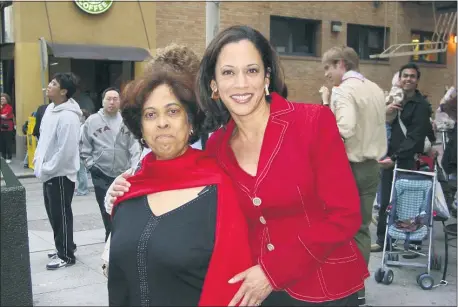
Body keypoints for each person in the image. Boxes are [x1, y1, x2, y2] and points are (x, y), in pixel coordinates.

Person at [107, 26, 368, 306]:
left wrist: (273, 271)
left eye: (252, 71)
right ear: (214, 85)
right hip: (260, 295)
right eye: (228, 72)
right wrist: (127, 188)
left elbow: (345, 215)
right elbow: (179, 175)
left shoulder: (314, 122)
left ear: (267, 76)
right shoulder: (217, 146)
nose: (241, 83)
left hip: (325, 287)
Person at [107, 44, 252, 306]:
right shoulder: (127, 192)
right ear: (140, 127)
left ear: (191, 121)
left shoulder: (220, 191)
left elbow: (234, 285)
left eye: (173, 111)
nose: (162, 122)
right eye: (150, 115)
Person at [319, 46, 387, 306]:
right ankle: (357, 288)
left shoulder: (343, 90)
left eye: (328, 67)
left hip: (347, 167)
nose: (327, 74)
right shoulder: (375, 89)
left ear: (341, 64)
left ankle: (341, 285)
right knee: (362, 229)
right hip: (372, 166)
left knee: (337, 226)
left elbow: (344, 127)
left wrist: (325, 112)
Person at [373, 63, 433, 253]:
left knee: (409, 202)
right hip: (389, 157)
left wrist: (396, 157)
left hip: (407, 160)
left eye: (412, 76)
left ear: (417, 80)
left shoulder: (422, 106)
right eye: (405, 76)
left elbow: (415, 137)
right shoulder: (394, 100)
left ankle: (412, 243)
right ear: (399, 79)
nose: (408, 79)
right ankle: (384, 241)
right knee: (385, 202)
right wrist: (388, 110)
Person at [33, 73, 82, 269]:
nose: (48, 86)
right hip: (48, 173)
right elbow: (44, 140)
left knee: (61, 215)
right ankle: (63, 246)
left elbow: (66, 150)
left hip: (60, 174)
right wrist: (40, 165)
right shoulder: (50, 110)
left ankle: (67, 256)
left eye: (53, 84)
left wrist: (48, 168)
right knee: (54, 214)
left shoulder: (69, 117)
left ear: (64, 91)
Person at [80, 87, 141, 241]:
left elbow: (134, 147)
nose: (112, 102)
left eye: (115, 98)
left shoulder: (126, 121)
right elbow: (84, 145)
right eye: (109, 99)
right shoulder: (92, 121)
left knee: (122, 211)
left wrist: (134, 169)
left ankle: (120, 240)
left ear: (120, 102)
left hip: (123, 175)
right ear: (103, 101)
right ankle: (110, 240)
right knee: (106, 210)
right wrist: (90, 165)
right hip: (101, 173)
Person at [75, 109, 90, 196]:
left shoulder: (84, 127)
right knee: (79, 170)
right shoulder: (81, 126)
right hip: (79, 150)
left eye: (79, 116)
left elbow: (81, 139)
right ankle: (82, 188)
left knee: (81, 171)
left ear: (84, 117)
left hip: (81, 151)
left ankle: (83, 189)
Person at [0, 93, 15, 163]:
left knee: (8, 143)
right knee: (2, 142)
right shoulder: (1, 107)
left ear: (7, 100)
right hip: (1, 127)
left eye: (3, 99)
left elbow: (5, 116)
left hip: (8, 127)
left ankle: (9, 157)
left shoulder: (9, 107)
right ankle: (3, 156)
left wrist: (2, 115)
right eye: (1, 99)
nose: (2, 100)